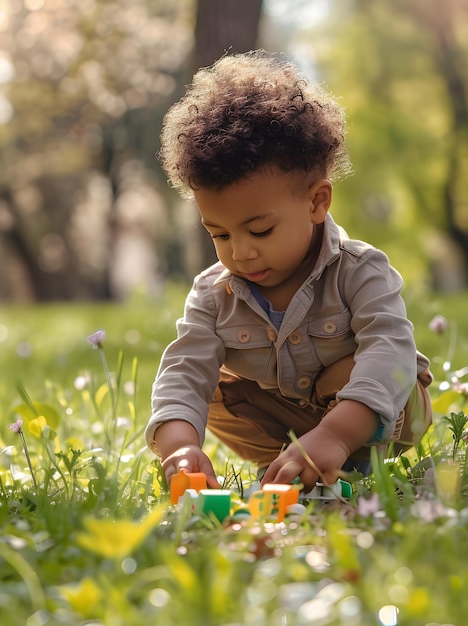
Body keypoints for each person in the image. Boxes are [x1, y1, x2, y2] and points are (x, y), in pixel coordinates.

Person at [145, 50, 432, 491]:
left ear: (317, 202)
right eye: (219, 235)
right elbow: (184, 371)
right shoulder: (213, 294)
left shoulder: (359, 270)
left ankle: (346, 456)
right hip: (286, 416)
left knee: (371, 368)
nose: (240, 252)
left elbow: (390, 353)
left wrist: (335, 434)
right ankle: (287, 463)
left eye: (260, 230)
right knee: (213, 385)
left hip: (384, 415)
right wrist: (179, 444)